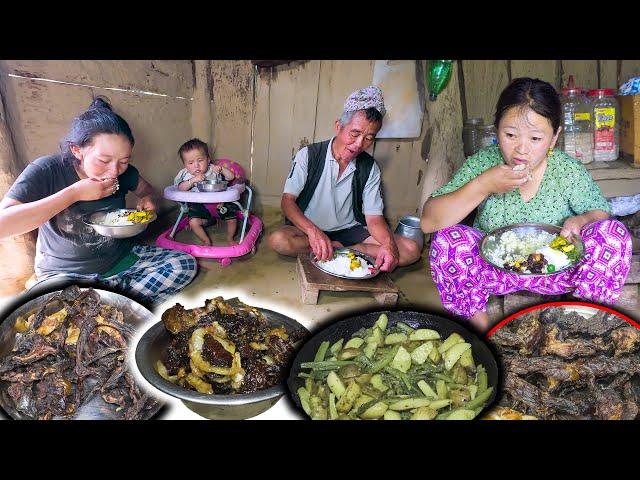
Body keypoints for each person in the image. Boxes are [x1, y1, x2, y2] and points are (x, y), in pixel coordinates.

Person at [421, 77, 632, 333]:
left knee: (613, 235)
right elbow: (429, 221)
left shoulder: (567, 170)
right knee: (447, 241)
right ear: (496, 129)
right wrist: (483, 185)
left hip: (558, 272)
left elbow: (600, 211)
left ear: (554, 138)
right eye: (510, 135)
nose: (521, 149)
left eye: (535, 138)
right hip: (494, 271)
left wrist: (580, 221)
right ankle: (483, 333)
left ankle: (580, 324)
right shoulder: (484, 164)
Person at [0, 96, 198, 306]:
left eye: (123, 161)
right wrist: (74, 193)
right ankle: (116, 304)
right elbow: (4, 224)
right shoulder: (48, 170)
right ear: (77, 150)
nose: (114, 171)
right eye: (103, 160)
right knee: (53, 304)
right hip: (65, 274)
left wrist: (149, 201)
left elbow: (150, 192)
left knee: (184, 264)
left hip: (120, 260)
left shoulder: (125, 174)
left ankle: (106, 305)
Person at [267, 85, 421, 271]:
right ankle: (338, 248)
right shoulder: (309, 155)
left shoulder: (369, 167)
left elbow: (373, 219)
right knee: (279, 241)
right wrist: (313, 231)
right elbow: (287, 202)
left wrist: (388, 245)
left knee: (410, 249)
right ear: (338, 126)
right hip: (308, 230)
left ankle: (343, 249)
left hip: (350, 231)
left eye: (369, 138)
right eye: (355, 134)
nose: (359, 144)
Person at [174, 138, 243, 245]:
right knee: (193, 222)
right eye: (190, 163)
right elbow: (180, 188)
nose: (196, 165)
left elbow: (231, 177)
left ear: (208, 159)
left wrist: (221, 169)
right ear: (185, 165)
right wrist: (192, 180)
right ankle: (206, 240)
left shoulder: (213, 169)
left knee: (232, 219)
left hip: (220, 203)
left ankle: (230, 238)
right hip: (199, 206)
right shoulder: (185, 174)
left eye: (200, 160)